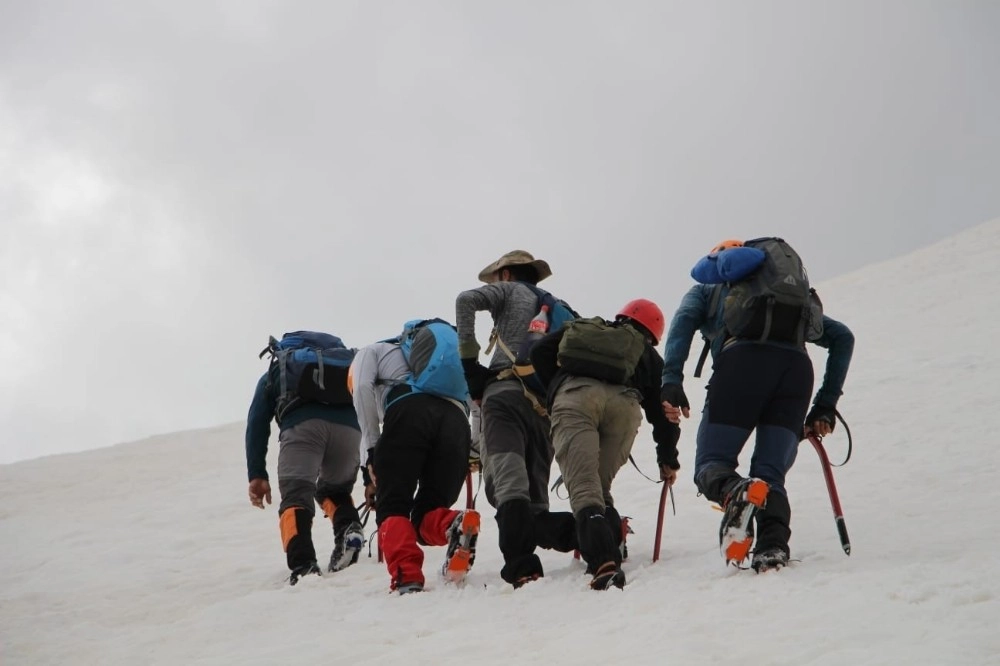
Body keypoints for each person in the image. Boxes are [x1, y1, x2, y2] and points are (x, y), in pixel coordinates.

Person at [661, 238, 855, 572]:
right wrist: (825, 404)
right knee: (771, 473)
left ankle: (735, 491)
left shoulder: (710, 289)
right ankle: (772, 548)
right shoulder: (785, 297)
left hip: (742, 366)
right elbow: (842, 337)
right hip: (796, 371)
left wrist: (671, 379)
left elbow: (682, 324)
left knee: (711, 464)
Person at [531, 299, 682, 589]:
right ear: (652, 334)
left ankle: (604, 562)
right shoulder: (648, 356)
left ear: (622, 317)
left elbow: (539, 351)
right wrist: (667, 458)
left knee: (585, 490)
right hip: (625, 407)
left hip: (576, 396)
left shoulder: (582, 330)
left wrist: (558, 387)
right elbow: (662, 415)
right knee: (598, 489)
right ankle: (612, 537)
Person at [456, 250, 579, 588]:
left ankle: (523, 566)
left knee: (508, 489)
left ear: (507, 274)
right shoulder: (560, 308)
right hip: (545, 409)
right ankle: (597, 529)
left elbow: (465, 301)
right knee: (535, 505)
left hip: (505, 397)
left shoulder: (510, 291)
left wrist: (469, 365)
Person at [350, 320, 477, 594]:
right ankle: (453, 524)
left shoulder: (371, 351)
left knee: (393, 505)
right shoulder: (449, 362)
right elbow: (478, 400)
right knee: (428, 510)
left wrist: (371, 450)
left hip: (408, 411)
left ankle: (406, 575)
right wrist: (475, 447)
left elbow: (361, 390)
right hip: (457, 422)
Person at [245, 338, 365, 585]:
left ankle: (303, 565)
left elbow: (257, 422)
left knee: (296, 497)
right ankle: (348, 529)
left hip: (302, 427)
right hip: (350, 431)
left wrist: (257, 474)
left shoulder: (280, 367)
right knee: (335, 490)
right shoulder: (346, 364)